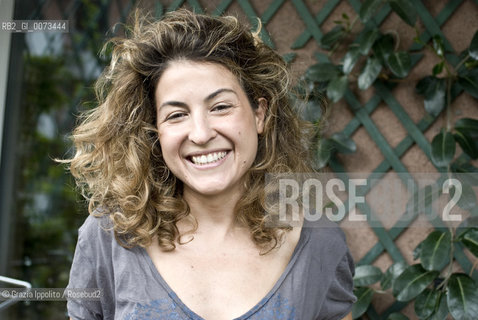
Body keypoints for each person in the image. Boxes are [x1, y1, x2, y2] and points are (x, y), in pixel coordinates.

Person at [64, 9, 356, 320]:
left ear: (260, 114)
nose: (201, 134)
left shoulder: (318, 243)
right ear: (155, 131)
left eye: (220, 107)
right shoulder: (110, 236)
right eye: (176, 115)